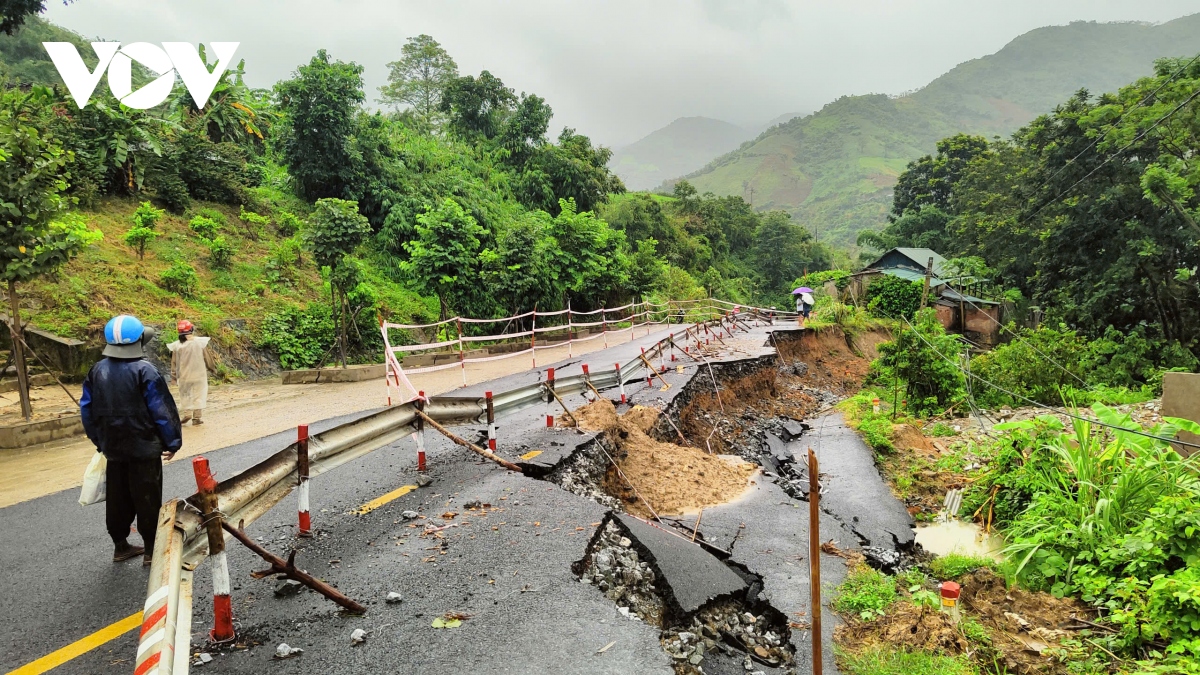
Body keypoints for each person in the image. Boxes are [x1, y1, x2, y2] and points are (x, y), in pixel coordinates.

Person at [81, 315, 183, 565]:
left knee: (118, 497)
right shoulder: (145, 371)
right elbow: (162, 410)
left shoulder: (97, 370)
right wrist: (172, 442)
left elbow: (87, 410)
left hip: (113, 449)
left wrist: (100, 442)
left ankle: (120, 546)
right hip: (144, 448)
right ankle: (150, 550)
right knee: (147, 497)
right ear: (138, 340)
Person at [167, 320, 215, 425]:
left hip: (184, 377)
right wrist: (212, 368)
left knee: (185, 395)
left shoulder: (177, 346)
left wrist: (174, 377)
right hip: (199, 375)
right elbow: (208, 358)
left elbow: (174, 363)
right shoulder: (200, 343)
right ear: (191, 330)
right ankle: (197, 418)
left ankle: (187, 413)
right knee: (199, 395)